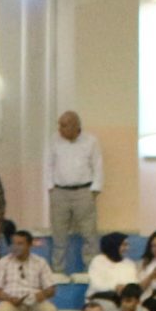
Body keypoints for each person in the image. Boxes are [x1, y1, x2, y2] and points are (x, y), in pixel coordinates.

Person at [44, 112, 103, 275]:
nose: (59, 129)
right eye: (59, 125)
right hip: (59, 192)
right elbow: (48, 164)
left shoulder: (91, 141)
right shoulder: (53, 140)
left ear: (75, 126)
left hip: (84, 192)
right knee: (59, 235)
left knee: (89, 234)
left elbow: (97, 165)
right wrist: (50, 188)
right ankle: (58, 271)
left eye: (63, 125)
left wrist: (95, 190)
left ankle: (90, 271)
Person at [0, 230, 59, 311]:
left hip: (35, 302)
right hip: (11, 302)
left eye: (20, 244)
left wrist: (42, 294)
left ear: (29, 245)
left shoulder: (40, 262)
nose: (15, 247)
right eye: (14, 244)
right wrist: (9, 298)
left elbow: (51, 289)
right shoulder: (3, 262)